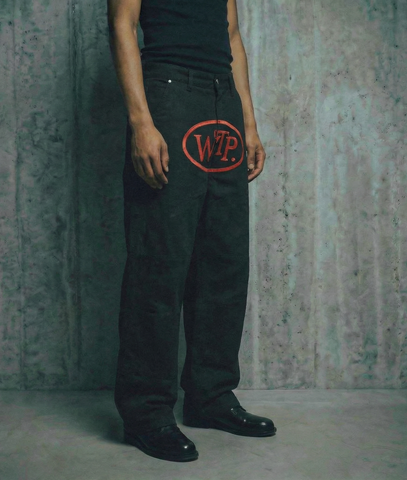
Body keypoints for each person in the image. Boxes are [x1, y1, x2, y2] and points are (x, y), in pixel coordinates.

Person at [108, 0, 276, 462]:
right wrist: (141, 122)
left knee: (224, 259)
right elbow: (122, 23)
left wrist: (249, 122)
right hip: (167, 92)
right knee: (159, 260)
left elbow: (232, 35)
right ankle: (145, 412)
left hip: (223, 96)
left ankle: (210, 395)